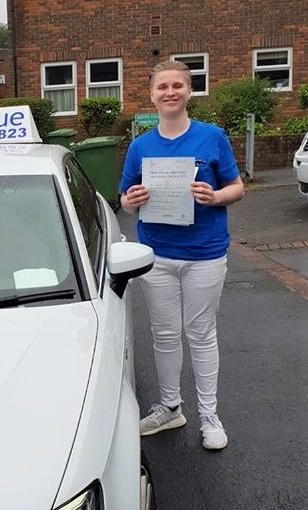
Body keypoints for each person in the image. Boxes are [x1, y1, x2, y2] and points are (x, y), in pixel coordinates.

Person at [119, 60, 245, 450]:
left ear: (190, 92)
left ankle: (209, 415)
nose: (170, 92)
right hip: (156, 257)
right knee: (164, 334)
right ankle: (170, 407)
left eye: (178, 86)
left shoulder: (212, 137)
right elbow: (125, 201)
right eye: (162, 87)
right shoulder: (140, 146)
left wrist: (215, 195)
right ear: (152, 94)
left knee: (201, 334)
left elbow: (237, 187)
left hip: (204, 254)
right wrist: (132, 200)